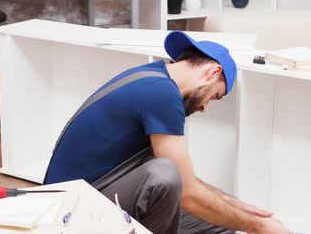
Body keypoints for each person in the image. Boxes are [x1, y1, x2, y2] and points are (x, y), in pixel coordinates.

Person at [44, 30, 291, 234]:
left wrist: (243, 209)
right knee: (164, 174)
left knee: (221, 220)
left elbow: (189, 183)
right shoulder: (162, 93)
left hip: (94, 193)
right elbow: (187, 192)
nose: (205, 107)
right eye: (214, 96)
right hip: (68, 210)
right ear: (213, 71)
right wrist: (257, 226)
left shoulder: (155, 77)